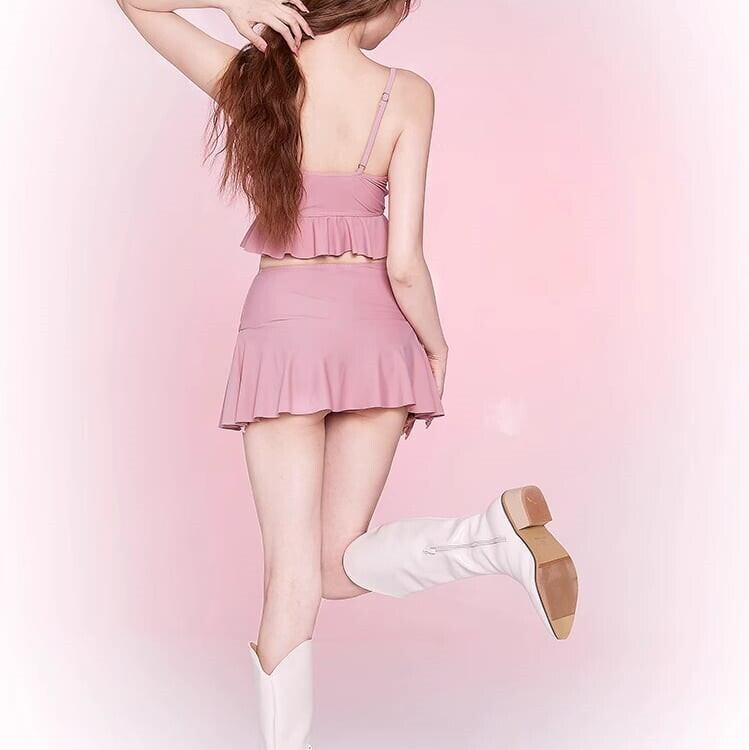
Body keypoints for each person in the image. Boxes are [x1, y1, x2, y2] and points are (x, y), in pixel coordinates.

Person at [116, 1, 579, 747]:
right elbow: (405, 262)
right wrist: (434, 348)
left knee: (293, 579)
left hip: (283, 334)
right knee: (337, 567)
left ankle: (494, 541)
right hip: (377, 334)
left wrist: (230, 2)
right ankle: (493, 539)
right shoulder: (408, 93)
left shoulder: (251, 80)